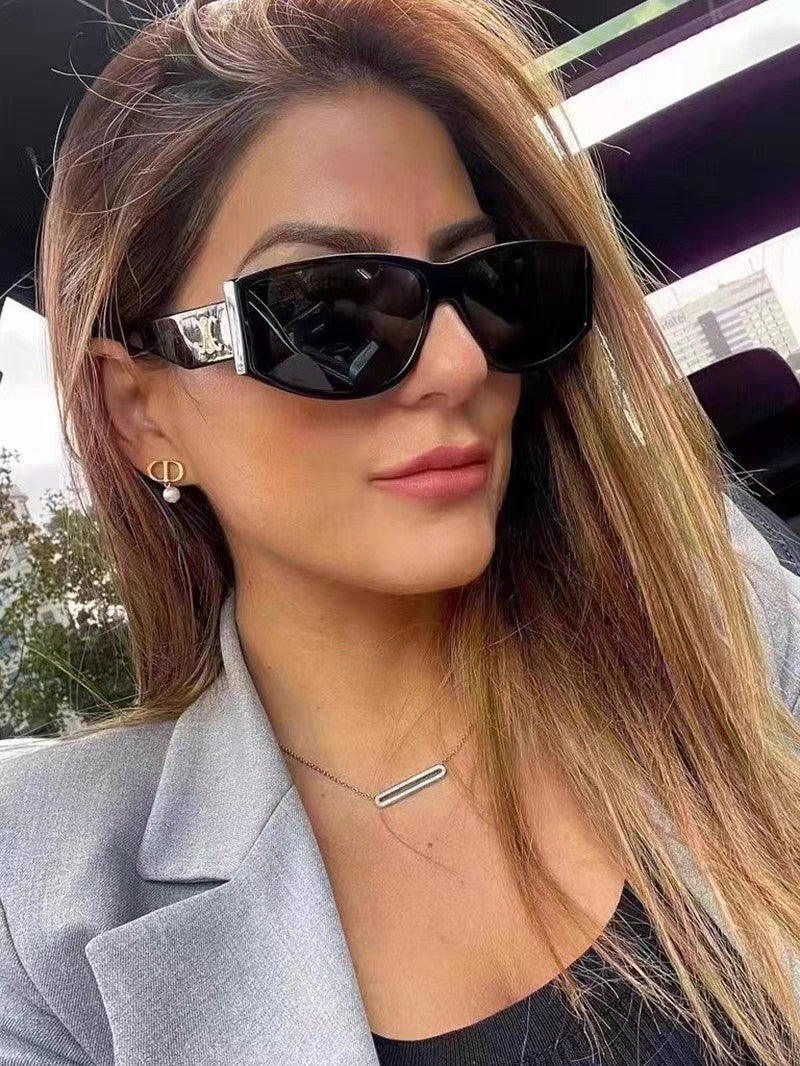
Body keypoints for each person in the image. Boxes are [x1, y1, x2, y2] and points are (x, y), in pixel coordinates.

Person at [2, 0, 800, 1063]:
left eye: (496, 286)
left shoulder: (723, 624)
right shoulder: (41, 896)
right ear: (141, 412)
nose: (463, 364)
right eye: (332, 314)